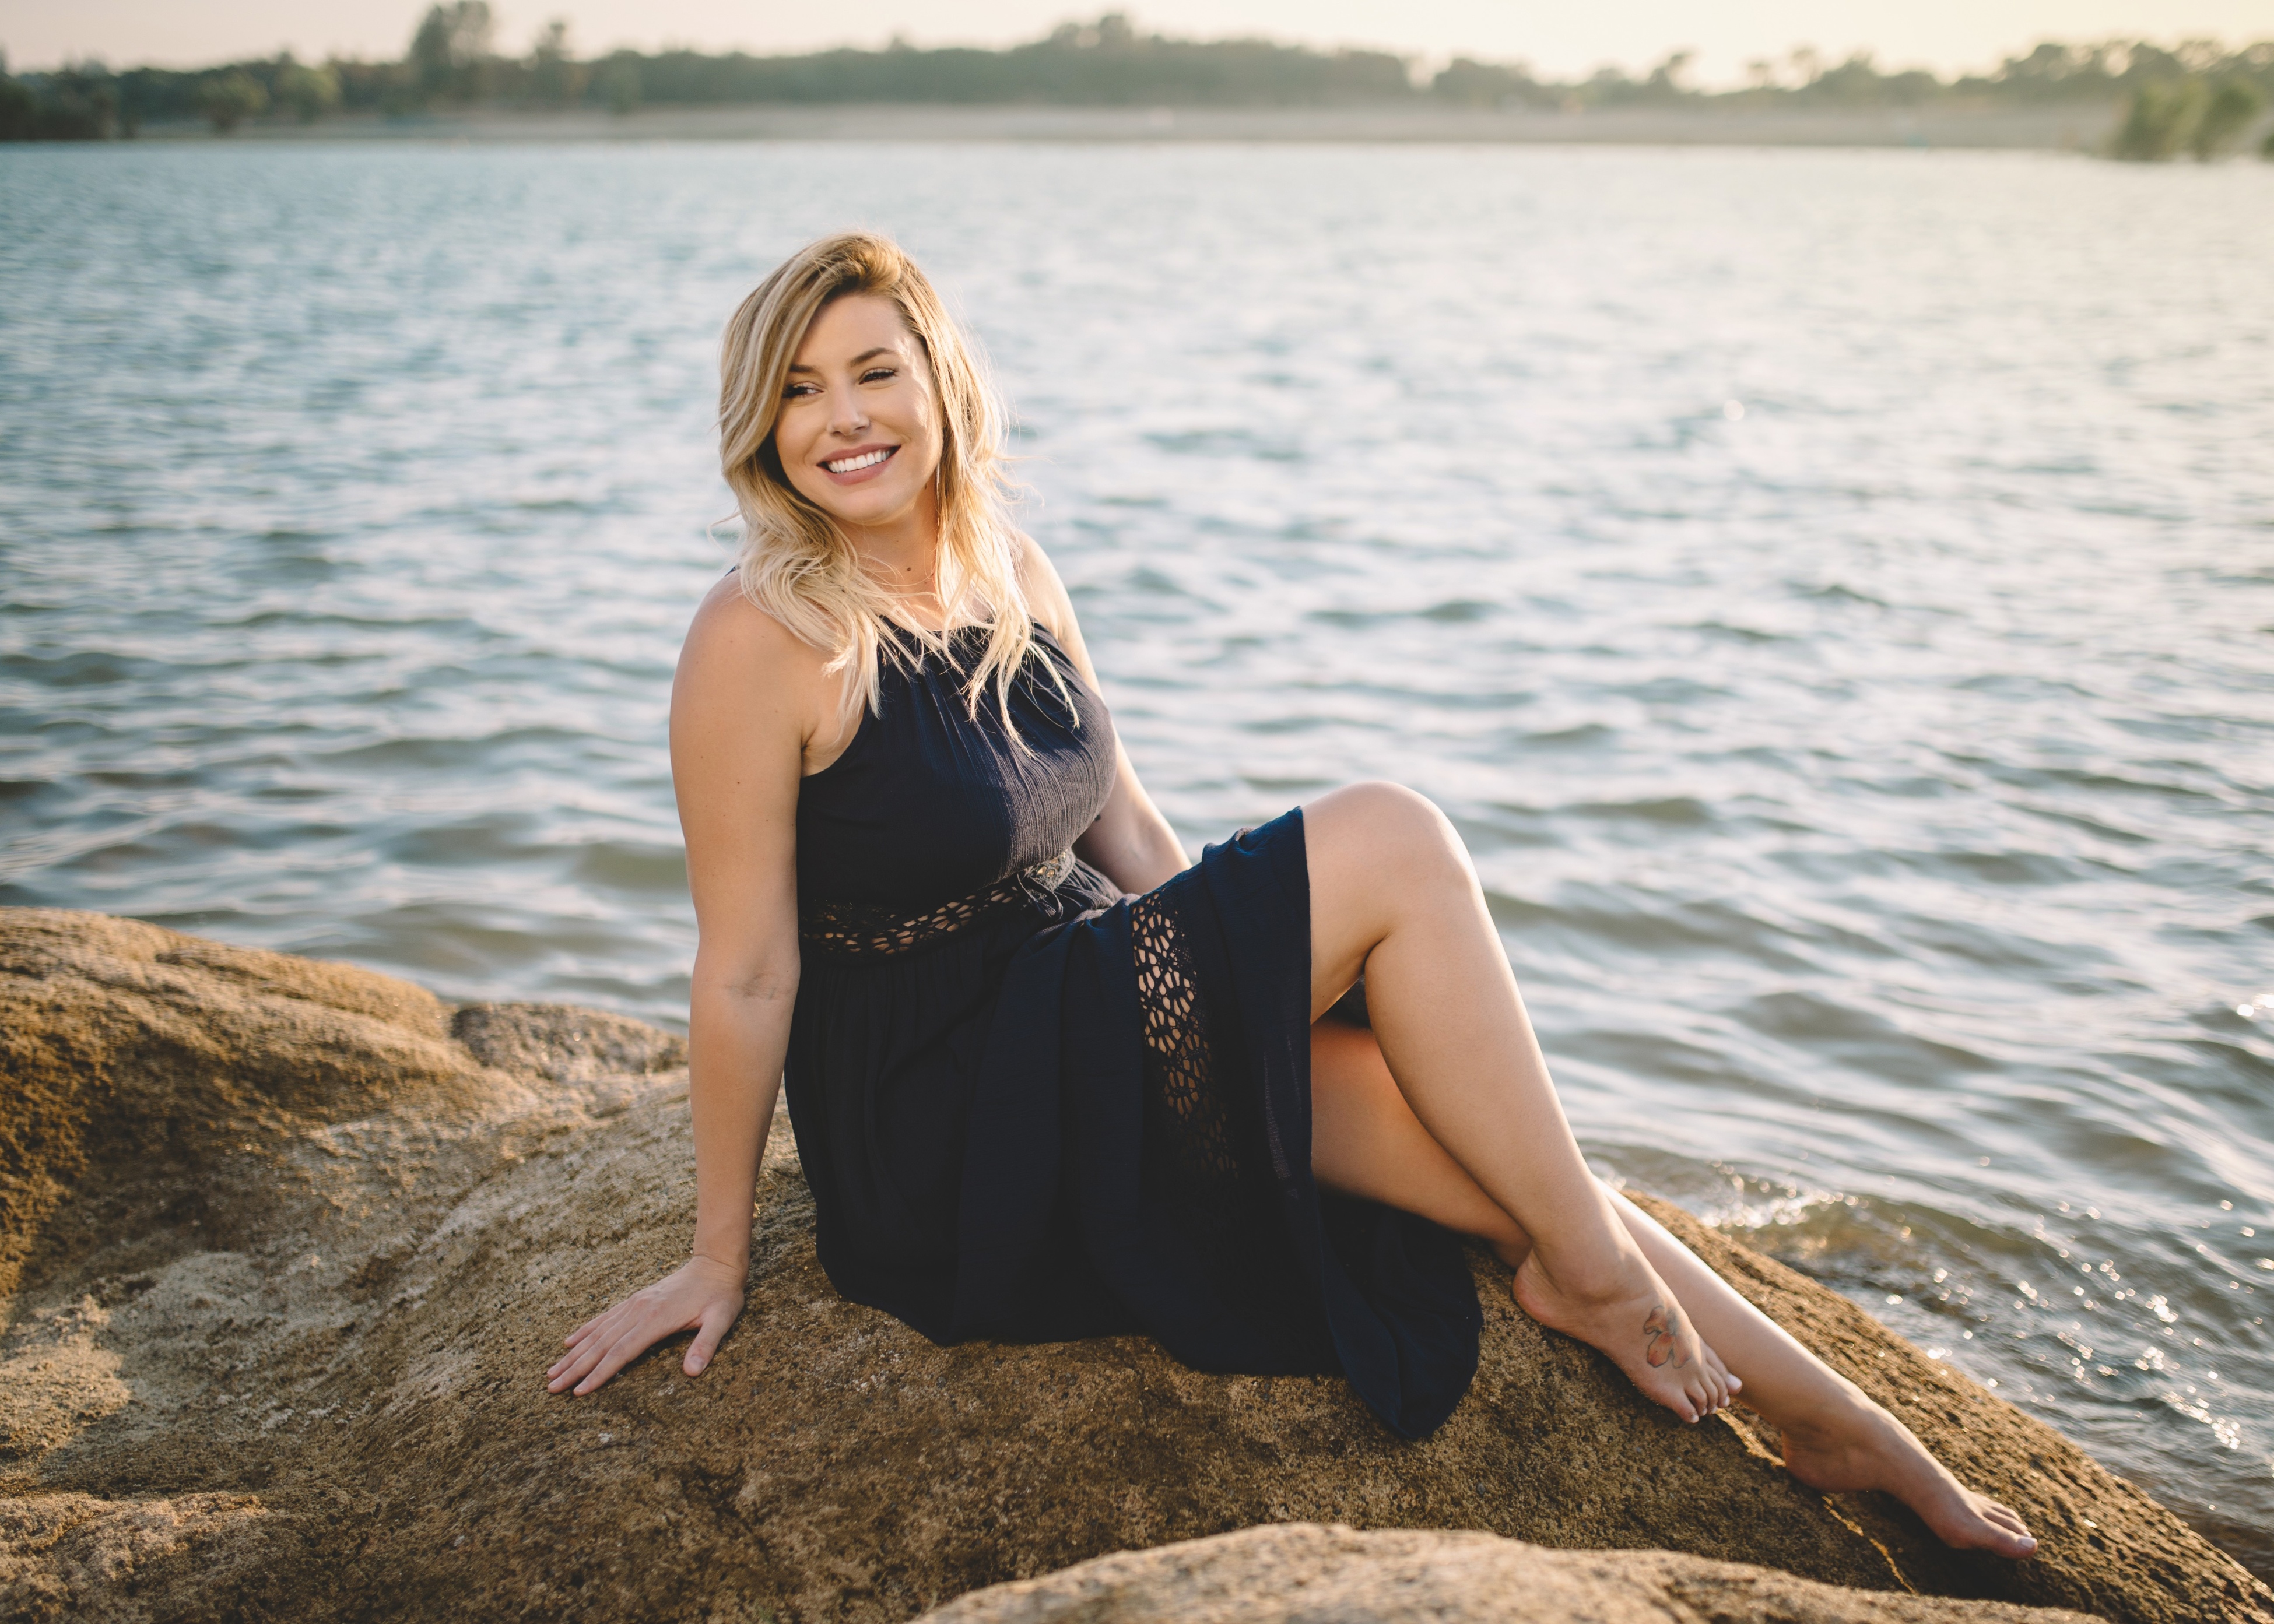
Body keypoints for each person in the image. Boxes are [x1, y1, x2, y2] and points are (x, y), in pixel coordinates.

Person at [544, 232, 2034, 1558]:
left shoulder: (1006, 563)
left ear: (941, 381)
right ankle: (1596, 1277)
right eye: (799, 390)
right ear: (761, 427)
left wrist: (1260, 985)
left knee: (1514, 1166)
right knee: (1391, 832)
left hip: (1079, 1007)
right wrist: (718, 1254)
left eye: (873, 371)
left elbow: (1117, 813)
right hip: (947, 1109)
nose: (842, 417)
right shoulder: (756, 638)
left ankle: (1847, 1431)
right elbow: (746, 970)